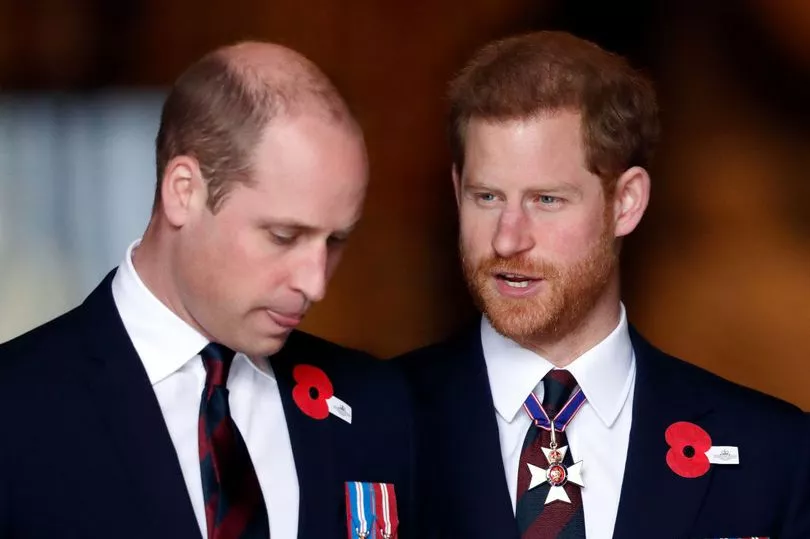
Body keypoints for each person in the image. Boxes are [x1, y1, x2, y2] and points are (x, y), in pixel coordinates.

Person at [400, 31, 810, 539]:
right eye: (487, 197)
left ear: (626, 202)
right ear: (457, 189)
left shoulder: (776, 454)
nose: (507, 239)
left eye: (546, 200)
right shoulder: (367, 423)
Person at [0, 42, 415, 539]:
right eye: (283, 236)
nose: (316, 282)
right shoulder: (16, 409)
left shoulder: (377, 405)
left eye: (336, 240)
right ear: (184, 191)